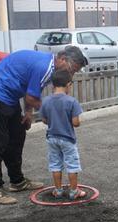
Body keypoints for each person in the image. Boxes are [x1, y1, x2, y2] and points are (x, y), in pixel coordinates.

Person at [0, 46, 85, 205]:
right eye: (72, 69)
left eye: (74, 72)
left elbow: (31, 91)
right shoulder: (45, 67)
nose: (71, 74)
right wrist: (55, 114)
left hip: (12, 97)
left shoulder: (50, 69)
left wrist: (28, 113)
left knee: (17, 136)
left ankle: (17, 181)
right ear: (63, 59)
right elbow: (31, 97)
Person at [40, 70, 85, 200]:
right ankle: (73, 191)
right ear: (68, 84)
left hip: (52, 138)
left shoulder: (46, 100)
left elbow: (44, 120)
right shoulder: (71, 101)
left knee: (55, 164)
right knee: (72, 164)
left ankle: (58, 190)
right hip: (67, 139)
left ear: (53, 85)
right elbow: (75, 123)